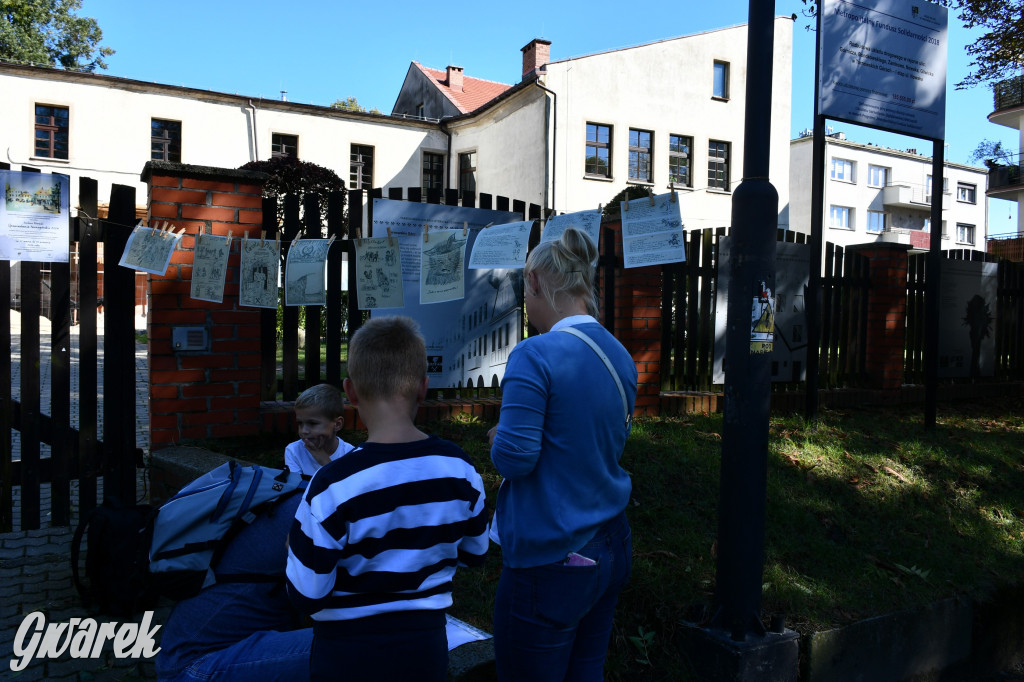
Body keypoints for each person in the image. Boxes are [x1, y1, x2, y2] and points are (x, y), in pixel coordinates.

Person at [286, 315, 489, 682]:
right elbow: (476, 554)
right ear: (424, 388)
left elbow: (307, 593)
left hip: (346, 654)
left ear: (349, 393)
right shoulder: (460, 471)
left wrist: (294, 544)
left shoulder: (332, 484)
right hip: (426, 647)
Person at [488, 227, 637, 681]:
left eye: (523, 291)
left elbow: (515, 459)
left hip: (551, 556)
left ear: (533, 282)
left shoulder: (535, 353)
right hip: (610, 544)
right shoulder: (620, 354)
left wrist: (497, 437)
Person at [156, 492, 312, 682]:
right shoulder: (316, 513)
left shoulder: (302, 496)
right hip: (194, 668)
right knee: (351, 643)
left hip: (188, 656)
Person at [285, 383, 355, 478]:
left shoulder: (350, 454)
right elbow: (297, 489)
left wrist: (325, 461)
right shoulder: (294, 451)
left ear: (337, 424)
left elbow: (347, 490)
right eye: (300, 423)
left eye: (313, 423)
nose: (304, 431)